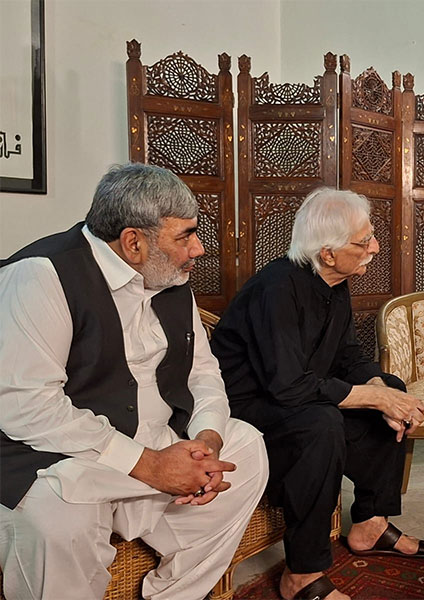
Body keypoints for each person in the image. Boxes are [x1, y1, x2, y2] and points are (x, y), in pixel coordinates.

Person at [0, 163, 268, 600]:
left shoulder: (169, 275)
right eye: (185, 236)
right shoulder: (41, 276)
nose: (198, 249)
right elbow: (27, 406)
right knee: (57, 517)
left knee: (247, 449)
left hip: (157, 438)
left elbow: (202, 371)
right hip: (61, 452)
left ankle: (176, 594)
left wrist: (208, 439)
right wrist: (151, 466)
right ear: (133, 242)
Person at [211, 187, 424, 600]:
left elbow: (347, 354)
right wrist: (373, 399)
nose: (374, 248)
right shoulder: (276, 289)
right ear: (328, 253)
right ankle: (301, 574)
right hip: (250, 407)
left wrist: (380, 390)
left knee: (391, 387)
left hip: (298, 394)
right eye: (363, 242)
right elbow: (286, 385)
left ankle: (370, 523)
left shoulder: (334, 283)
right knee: (322, 422)